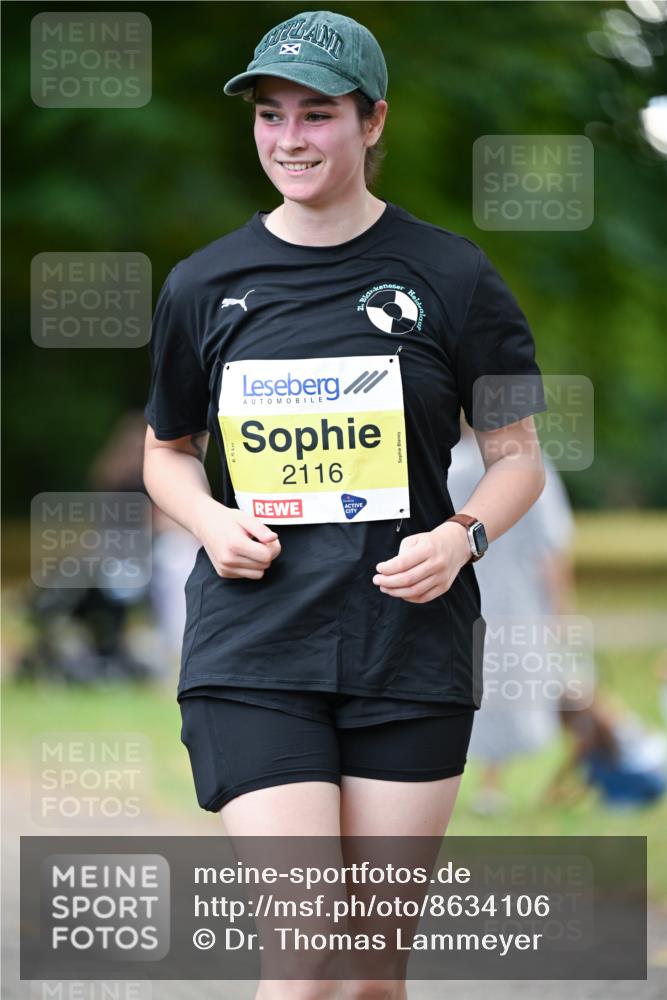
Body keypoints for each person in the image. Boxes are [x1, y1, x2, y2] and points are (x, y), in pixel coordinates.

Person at [142, 10, 547, 998]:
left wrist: (461, 536)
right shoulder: (203, 285)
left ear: (372, 122)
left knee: (371, 969)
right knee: (308, 950)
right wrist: (210, 521)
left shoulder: (453, 276)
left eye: (315, 113)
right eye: (270, 114)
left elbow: (517, 459)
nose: (288, 137)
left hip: (407, 647)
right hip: (254, 646)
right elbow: (166, 453)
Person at [448, 416, 576, 815]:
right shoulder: (528, 465)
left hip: (460, 590)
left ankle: (480, 781)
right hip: (512, 593)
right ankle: (491, 781)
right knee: (503, 683)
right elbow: (551, 542)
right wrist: (559, 606)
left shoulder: (446, 464)